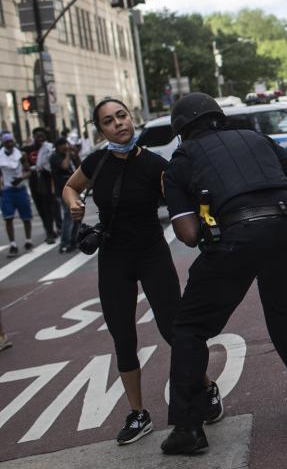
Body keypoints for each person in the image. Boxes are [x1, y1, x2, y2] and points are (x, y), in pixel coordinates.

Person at [161, 93, 287, 454]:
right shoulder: (257, 138)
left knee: (189, 328)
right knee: (278, 300)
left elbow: (189, 235)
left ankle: (188, 428)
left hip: (237, 240)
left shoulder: (182, 159)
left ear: (181, 130)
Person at [61, 98, 221, 446]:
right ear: (100, 129)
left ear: (131, 119)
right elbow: (71, 185)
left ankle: (207, 388)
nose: (118, 123)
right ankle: (138, 413)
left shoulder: (155, 164)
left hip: (152, 253)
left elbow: (181, 197)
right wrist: (73, 202)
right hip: (114, 257)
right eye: (108, 121)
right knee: (123, 335)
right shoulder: (96, 162)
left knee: (174, 328)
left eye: (122, 116)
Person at [23, 128, 57, 244]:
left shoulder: (48, 148)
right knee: (40, 208)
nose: (40, 139)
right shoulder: (27, 149)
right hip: (34, 181)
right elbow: (24, 164)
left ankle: (50, 232)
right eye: (38, 136)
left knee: (48, 206)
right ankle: (48, 229)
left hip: (46, 180)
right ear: (34, 137)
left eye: (42, 136)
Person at [1, 132, 33, 257]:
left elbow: (28, 171)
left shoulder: (21, 155)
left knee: (26, 217)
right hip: (7, 190)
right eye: (7, 142)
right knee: (8, 218)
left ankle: (28, 241)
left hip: (20, 188)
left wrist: (21, 178)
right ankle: (13, 244)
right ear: (3, 143)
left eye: (11, 141)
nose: (9, 144)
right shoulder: (0, 156)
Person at [50, 137, 79, 253]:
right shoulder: (54, 157)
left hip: (75, 188)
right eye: (63, 144)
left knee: (77, 215)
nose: (65, 146)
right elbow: (65, 166)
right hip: (63, 190)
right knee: (68, 216)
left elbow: (79, 166)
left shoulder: (69, 155)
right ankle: (64, 243)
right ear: (57, 147)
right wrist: (68, 154)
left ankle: (73, 240)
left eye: (66, 144)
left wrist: (75, 154)